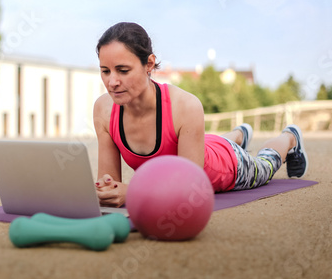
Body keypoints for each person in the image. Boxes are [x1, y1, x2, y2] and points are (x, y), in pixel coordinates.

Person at [93, 22, 308, 207]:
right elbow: (108, 182)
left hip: (226, 164)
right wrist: (104, 191)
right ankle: (238, 135)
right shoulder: (103, 110)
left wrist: (132, 192)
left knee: (265, 166)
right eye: (105, 71)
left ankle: (289, 138)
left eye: (123, 70)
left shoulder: (185, 106)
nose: (112, 82)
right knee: (202, 144)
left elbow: (190, 189)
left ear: (149, 64)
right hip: (198, 148)